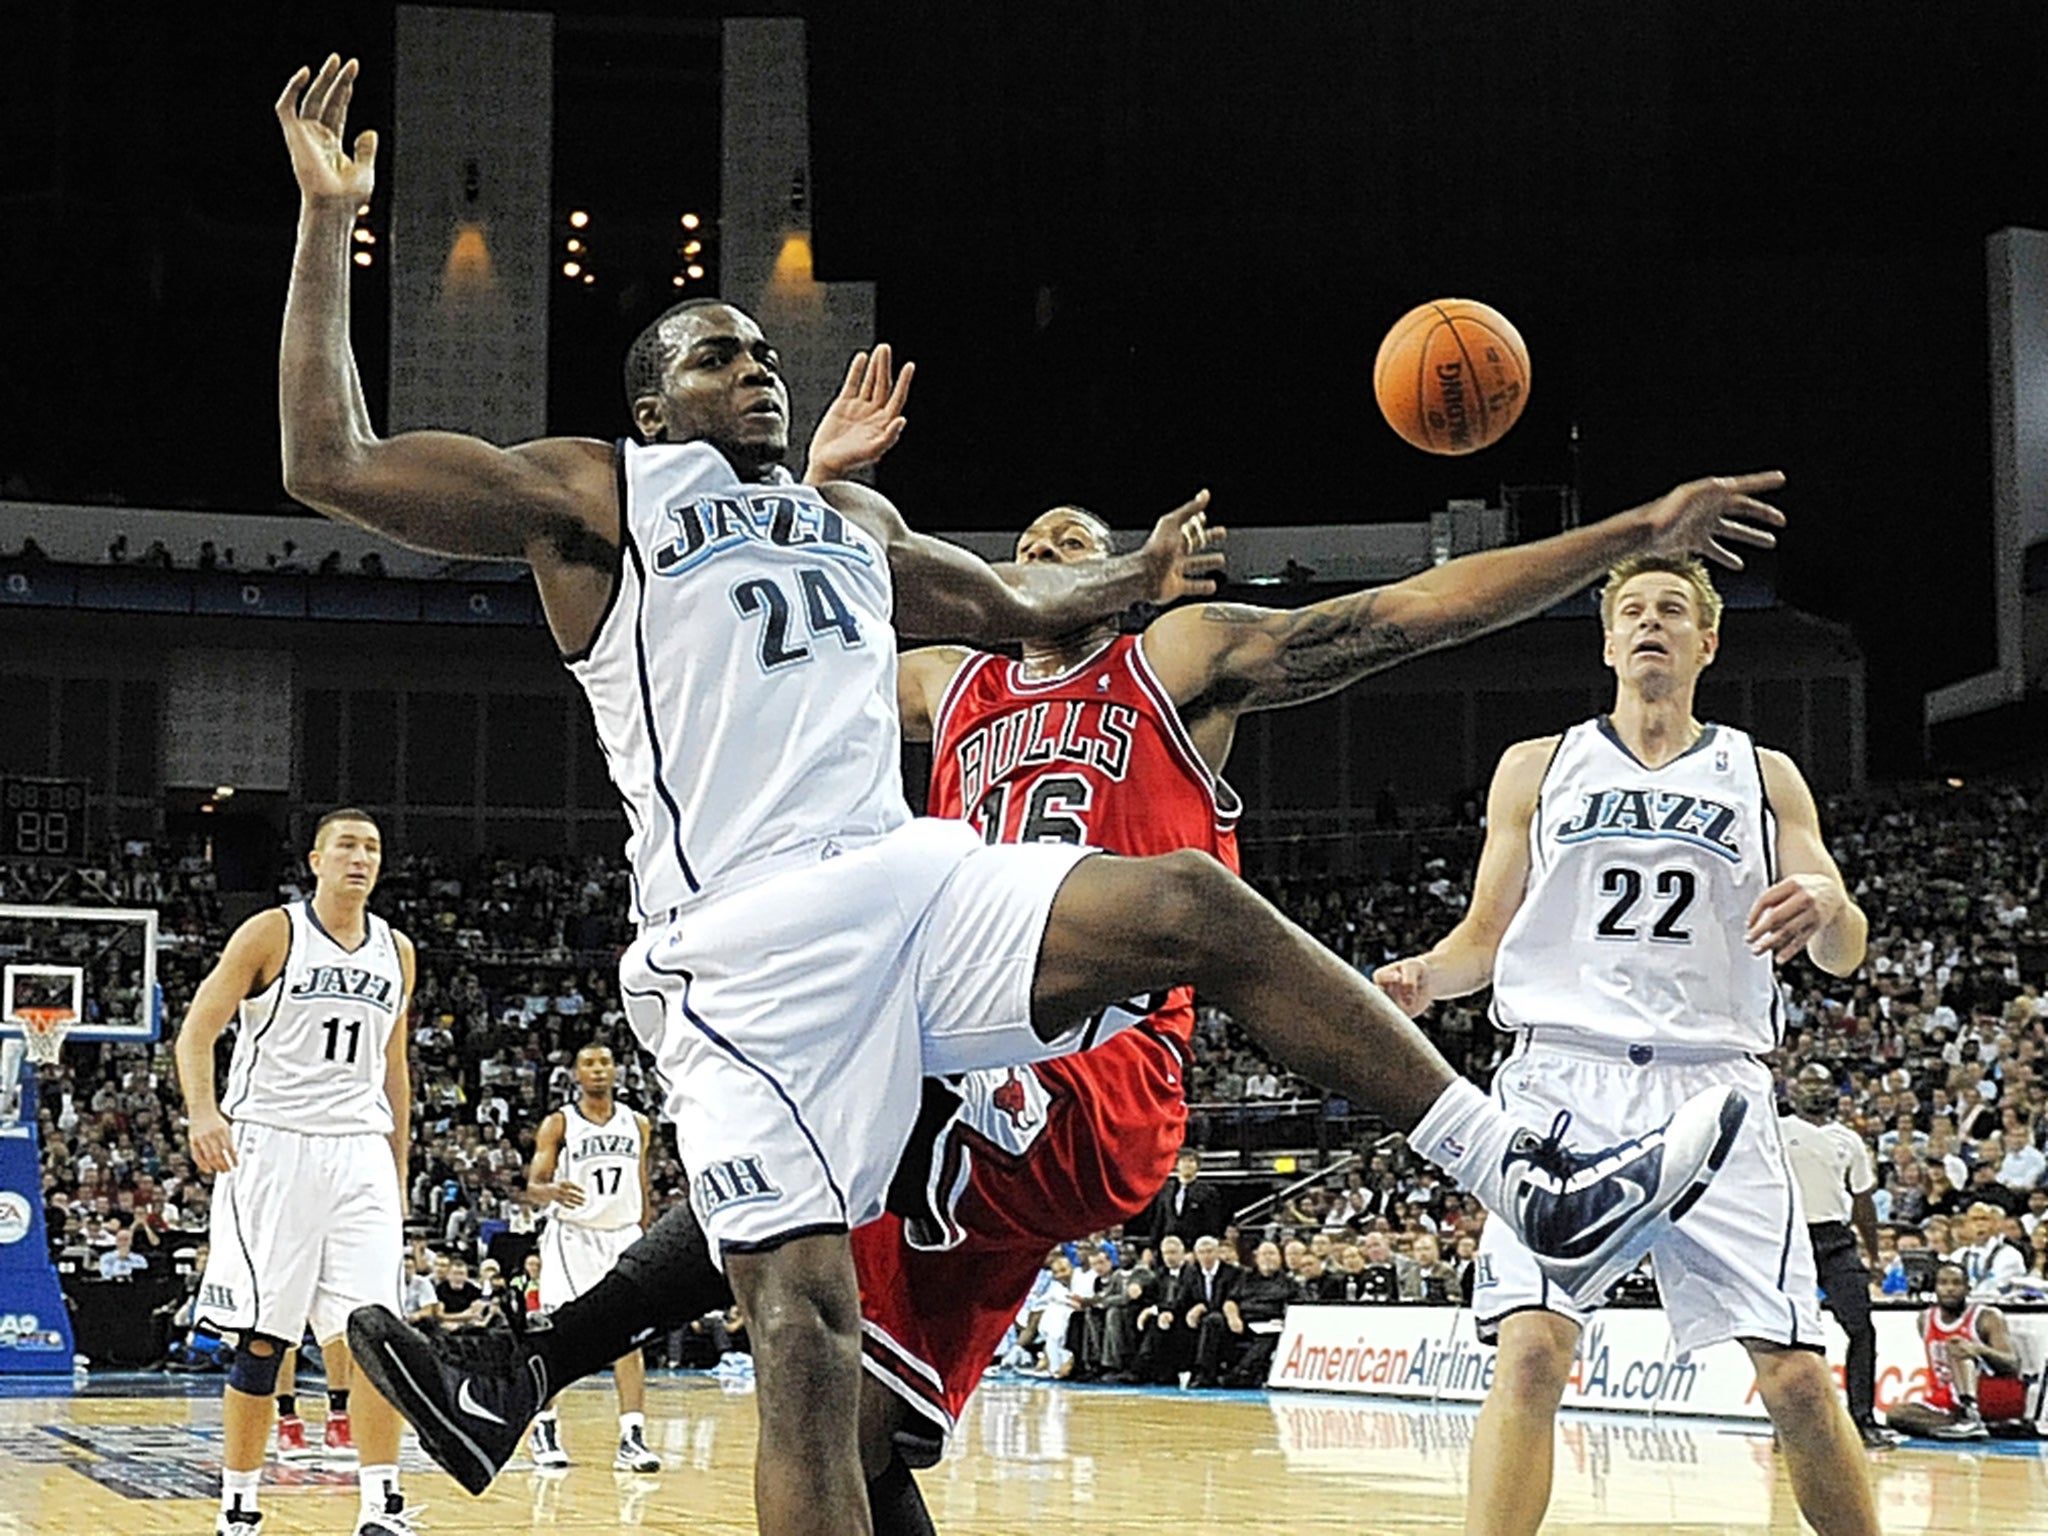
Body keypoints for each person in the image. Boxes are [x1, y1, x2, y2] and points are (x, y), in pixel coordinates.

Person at [341, 360, 1790, 1523]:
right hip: (946, 1016)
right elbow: (769, 643)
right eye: (1029, 546)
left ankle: (531, 1358)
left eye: (1079, 552)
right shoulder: (948, 681)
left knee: (828, 1148)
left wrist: (1622, 537)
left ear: (1121, 582)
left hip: (1086, 1062)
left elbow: (1402, 616)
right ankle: (518, 1368)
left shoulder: (1175, 656)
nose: (1047, 556)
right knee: (855, 1422)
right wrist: (810, 491)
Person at [1375, 550, 1882, 1536]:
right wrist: (1424, 978)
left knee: (1794, 1379)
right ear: (1607, 641)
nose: (1649, 622)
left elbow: (1842, 952)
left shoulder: (1762, 773)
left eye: (1670, 610)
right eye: (1631, 610)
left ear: (1707, 637)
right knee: (1528, 1352)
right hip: (1563, 1087)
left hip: (1715, 1093)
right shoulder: (1536, 764)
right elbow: (1481, 940)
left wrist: (1824, 900)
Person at [176, 807, 417, 1536]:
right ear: (315, 859)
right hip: (273, 1147)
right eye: (346, 845)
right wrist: (202, 1112)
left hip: (360, 1152)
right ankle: (240, 1505)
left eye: (371, 848)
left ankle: (381, 1504)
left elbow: (393, 1067)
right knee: (263, 1336)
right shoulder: (273, 932)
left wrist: (398, 1169)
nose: (360, 857)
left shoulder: (398, 950)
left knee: (377, 1334)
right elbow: (197, 1030)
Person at [522, 1043, 660, 1473]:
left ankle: (632, 1437)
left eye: (605, 1062)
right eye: (588, 1063)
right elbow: (533, 1186)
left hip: (622, 1236)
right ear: (577, 1074)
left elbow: (641, 1184)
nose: (598, 1069)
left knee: (630, 1338)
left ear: (616, 1071)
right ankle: (544, 1427)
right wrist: (551, 1192)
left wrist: (643, 1232)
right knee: (558, 1334)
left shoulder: (638, 1123)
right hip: (573, 1237)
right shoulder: (559, 1123)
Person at [1781, 1063, 1898, 1447]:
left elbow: (1862, 1200)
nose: (1816, 1091)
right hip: (1790, 1238)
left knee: (1861, 1327)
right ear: (1794, 1090)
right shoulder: (1776, 1131)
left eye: (1823, 1083)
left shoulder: (1848, 1139)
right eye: (1809, 1083)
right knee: (1786, 1337)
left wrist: (1874, 1253)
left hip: (1836, 1239)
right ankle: (1786, 1423)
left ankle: (1862, 1418)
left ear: (1835, 1091)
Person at [1882, 1263, 2022, 1439]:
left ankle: (1970, 1416)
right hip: (1944, 1403)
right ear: (1935, 1287)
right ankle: (1968, 1427)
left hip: (1986, 1392)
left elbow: (2012, 1365)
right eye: (1943, 1283)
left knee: (1956, 1346)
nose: (1949, 1289)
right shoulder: (1925, 1319)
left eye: (1956, 1283)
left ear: (1968, 1288)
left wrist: (1978, 1349)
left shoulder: (1987, 1317)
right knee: (1897, 1415)